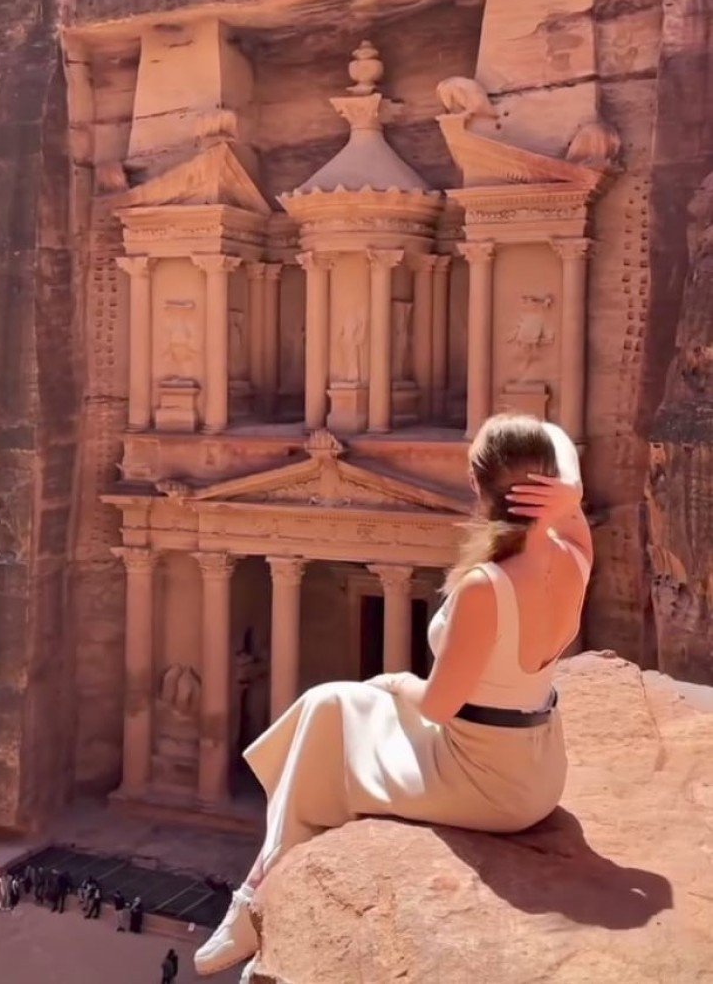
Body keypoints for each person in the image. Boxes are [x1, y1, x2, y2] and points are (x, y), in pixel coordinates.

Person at [194, 415, 593, 979]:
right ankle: (260, 879)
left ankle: (255, 893)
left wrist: (395, 683)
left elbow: (438, 707)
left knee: (334, 720)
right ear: (551, 484)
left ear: (478, 486)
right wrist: (571, 496)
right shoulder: (574, 554)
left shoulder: (487, 587)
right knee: (328, 704)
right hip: (539, 768)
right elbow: (555, 446)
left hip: (484, 782)